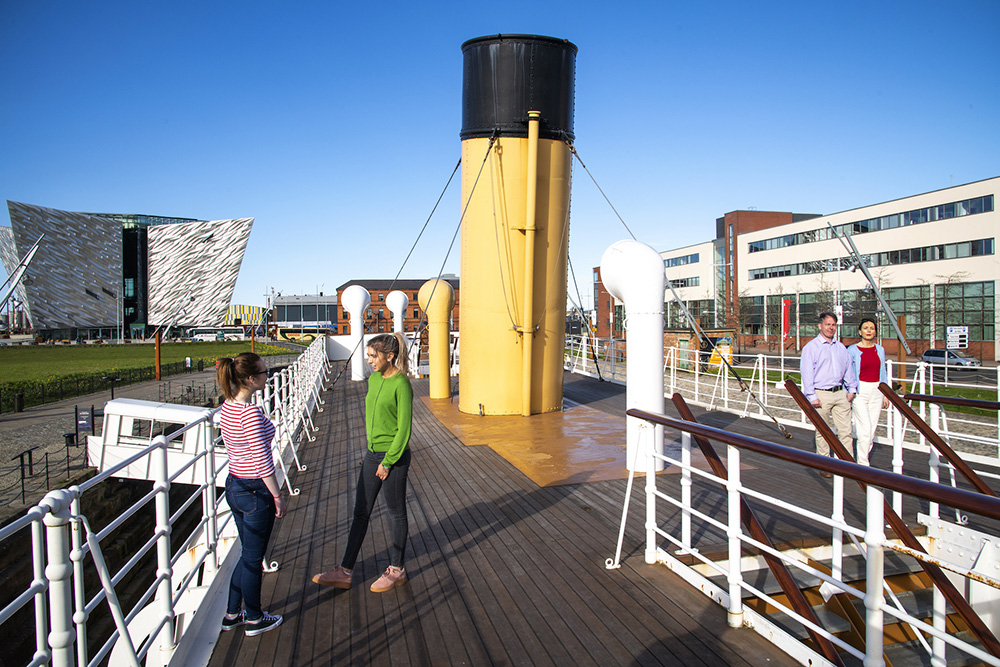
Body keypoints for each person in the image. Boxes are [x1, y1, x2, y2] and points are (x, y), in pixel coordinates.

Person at [313, 332, 413, 593]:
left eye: (374, 356)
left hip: (394, 457)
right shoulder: (375, 379)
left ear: (389, 356)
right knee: (361, 512)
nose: (369, 360)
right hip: (372, 455)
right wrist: (372, 455)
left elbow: (403, 430)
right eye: (368, 355)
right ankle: (345, 571)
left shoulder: (401, 384)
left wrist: (388, 462)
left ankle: (397, 569)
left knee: (395, 513)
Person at [216, 353, 286, 636]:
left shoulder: (227, 407)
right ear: (250, 379)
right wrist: (277, 495)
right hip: (255, 491)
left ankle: (232, 614)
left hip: (234, 484)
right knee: (254, 560)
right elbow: (262, 461)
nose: (268, 375)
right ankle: (255, 618)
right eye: (264, 372)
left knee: (247, 555)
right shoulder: (250, 414)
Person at [800, 312, 856, 477]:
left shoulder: (840, 347)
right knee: (823, 431)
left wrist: (851, 389)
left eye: (833, 325)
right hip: (821, 393)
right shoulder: (811, 347)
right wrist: (811, 396)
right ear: (820, 326)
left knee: (845, 430)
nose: (831, 328)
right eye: (828, 324)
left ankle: (847, 464)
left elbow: (847, 369)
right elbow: (807, 372)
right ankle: (825, 465)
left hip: (840, 393)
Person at [846, 318, 889, 466]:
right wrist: (850, 390)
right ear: (860, 331)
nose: (869, 330)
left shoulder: (880, 349)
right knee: (864, 428)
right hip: (860, 391)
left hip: (877, 390)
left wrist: (885, 394)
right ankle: (863, 464)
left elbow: (883, 371)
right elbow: (848, 372)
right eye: (866, 328)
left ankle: (863, 458)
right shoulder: (852, 350)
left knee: (872, 429)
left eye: (872, 328)